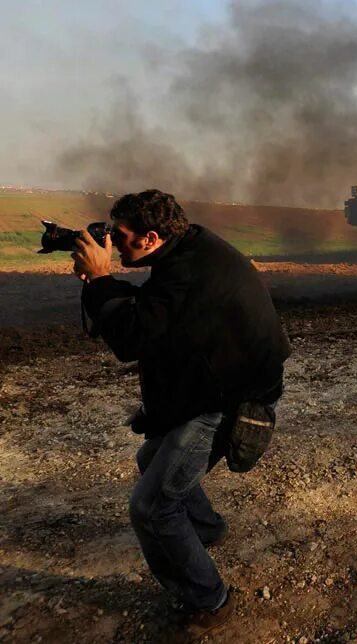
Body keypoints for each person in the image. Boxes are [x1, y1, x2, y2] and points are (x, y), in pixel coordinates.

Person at [70, 189, 291, 640]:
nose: (115, 241)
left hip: (228, 400)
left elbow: (133, 338)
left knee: (150, 506)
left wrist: (99, 280)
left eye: (123, 236)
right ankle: (207, 529)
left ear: (151, 237)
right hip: (216, 385)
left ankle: (209, 600)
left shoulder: (190, 270)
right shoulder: (189, 248)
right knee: (151, 461)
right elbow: (159, 319)